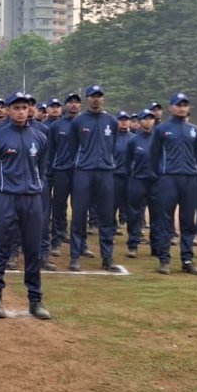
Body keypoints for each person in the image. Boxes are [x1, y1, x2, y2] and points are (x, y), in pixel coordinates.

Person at [0, 92, 52, 320]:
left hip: (32, 200)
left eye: (25, 107)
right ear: (9, 111)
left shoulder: (40, 137)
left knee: (32, 251)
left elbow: (41, 170)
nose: (22, 111)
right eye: (17, 108)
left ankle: (35, 300)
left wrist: (35, 190)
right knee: (1, 249)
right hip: (6, 198)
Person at [150, 92, 197, 276]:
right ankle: (164, 259)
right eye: (178, 104)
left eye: (185, 105)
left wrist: (191, 168)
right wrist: (160, 175)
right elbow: (154, 155)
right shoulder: (162, 129)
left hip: (189, 178)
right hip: (168, 178)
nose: (182, 108)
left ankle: (187, 259)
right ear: (171, 107)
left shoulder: (194, 130)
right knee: (166, 219)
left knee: (188, 221)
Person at [67, 85, 119, 272]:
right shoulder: (79, 122)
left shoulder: (111, 121)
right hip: (83, 172)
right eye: (92, 96)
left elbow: (112, 147)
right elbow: (73, 148)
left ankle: (107, 258)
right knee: (79, 215)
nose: (96, 99)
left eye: (99, 96)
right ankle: (75, 256)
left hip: (105, 173)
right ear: (87, 99)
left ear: (103, 99)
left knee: (106, 217)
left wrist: (105, 161)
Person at [45, 95, 80, 257]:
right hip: (60, 170)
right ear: (66, 106)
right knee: (59, 205)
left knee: (80, 207)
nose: (73, 105)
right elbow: (51, 151)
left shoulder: (84, 123)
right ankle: (57, 241)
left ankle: (80, 243)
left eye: (76, 102)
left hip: (80, 171)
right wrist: (50, 170)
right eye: (71, 102)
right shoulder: (57, 126)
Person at [125, 109, 157, 259]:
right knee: (134, 214)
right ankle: (133, 244)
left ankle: (156, 246)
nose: (148, 121)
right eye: (145, 119)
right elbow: (127, 161)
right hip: (137, 180)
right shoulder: (133, 140)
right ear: (140, 122)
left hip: (156, 182)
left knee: (156, 214)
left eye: (151, 118)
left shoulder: (159, 139)